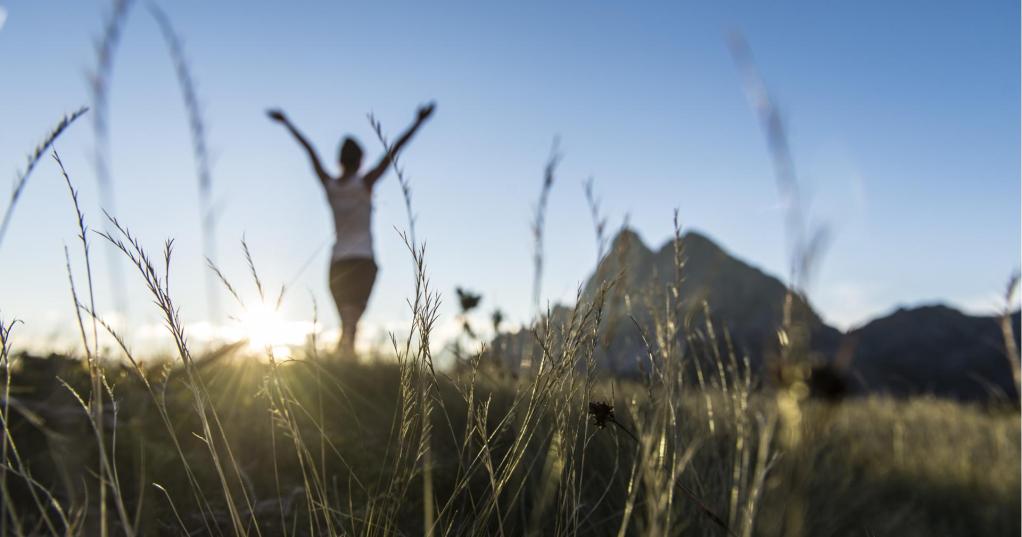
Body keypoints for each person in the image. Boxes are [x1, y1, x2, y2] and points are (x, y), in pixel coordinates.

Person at [267, 102, 435, 358]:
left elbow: (309, 151)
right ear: (360, 161)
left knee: (348, 322)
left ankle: (343, 359)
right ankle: (345, 360)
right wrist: (418, 122)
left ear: (340, 160)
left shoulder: (331, 185)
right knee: (351, 322)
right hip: (364, 261)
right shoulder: (365, 183)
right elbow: (393, 151)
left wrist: (287, 122)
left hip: (338, 263)